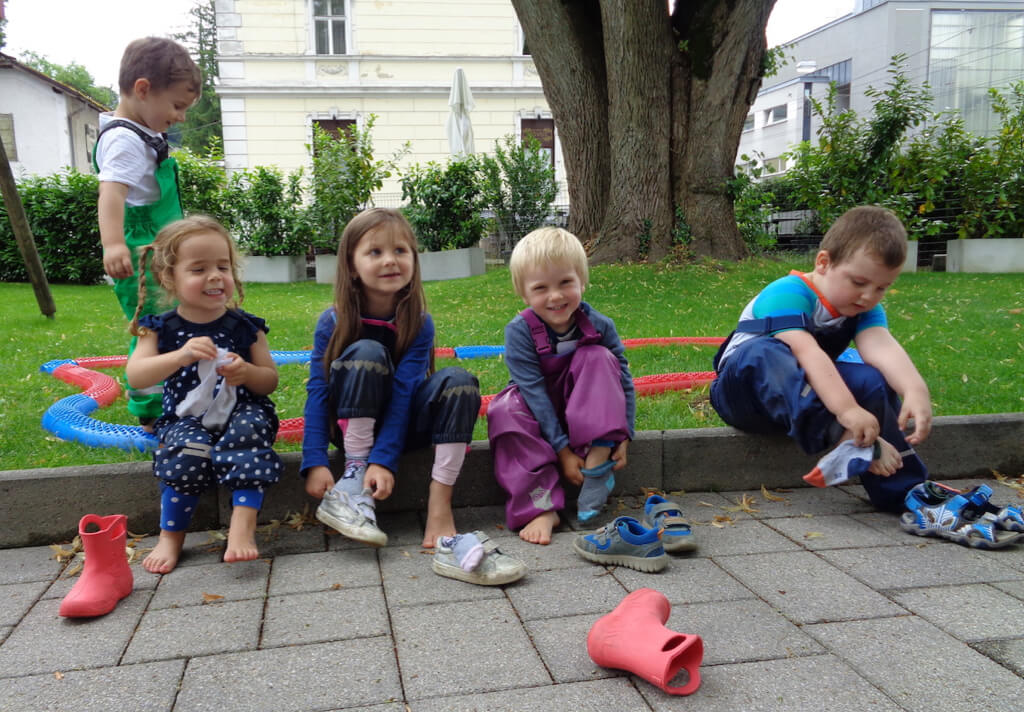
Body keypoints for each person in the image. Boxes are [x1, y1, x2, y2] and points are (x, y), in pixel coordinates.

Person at [710, 205, 928, 513]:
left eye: (882, 287)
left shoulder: (862, 308)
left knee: (871, 379)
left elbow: (881, 346)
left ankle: (906, 493)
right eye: (859, 282)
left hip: (807, 397)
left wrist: (914, 389)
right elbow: (806, 352)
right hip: (745, 398)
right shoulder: (786, 293)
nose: (869, 296)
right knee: (762, 352)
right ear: (823, 263)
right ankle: (846, 436)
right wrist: (847, 413)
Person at [301, 208, 482, 549]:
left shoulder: (418, 323)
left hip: (403, 428)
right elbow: (318, 390)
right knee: (368, 352)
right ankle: (353, 483)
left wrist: (384, 460)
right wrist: (314, 460)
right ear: (352, 267)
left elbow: (404, 393)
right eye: (375, 252)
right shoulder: (333, 321)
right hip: (348, 430)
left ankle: (440, 505)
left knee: (460, 381)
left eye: (401, 250)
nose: (390, 261)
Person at [125, 216, 283, 573]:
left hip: (243, 411)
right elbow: (136, 375)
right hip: (186, 419)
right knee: (187, 451)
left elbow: (269, 381)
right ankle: (171, 537)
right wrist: (180, 356)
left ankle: (242, 527)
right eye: (199, 269)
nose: (215, 276)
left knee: (250, 432)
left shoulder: (246, 327)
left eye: (222, 266)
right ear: (169, 277)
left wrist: (247, 373)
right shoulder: (160, 328)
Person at [487, 227, 635, 545]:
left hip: (586, 413)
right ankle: (541, 507)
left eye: (565, 283)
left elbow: (623, 379)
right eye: (541, 288)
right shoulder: (519, 331)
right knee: (504, 410)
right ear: (524, 294)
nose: (555, 296)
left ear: (582, 281)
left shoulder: (599, 325)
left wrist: (625, 436)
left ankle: (598, 463)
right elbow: (534, 394)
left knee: (598, 357)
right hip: (537, 411)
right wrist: (563, 452)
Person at [95, 37, 201, 431]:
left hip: (161, 249)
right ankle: (151, 413)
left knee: (171, 323)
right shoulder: (124, 139)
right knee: (152, 328)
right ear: (143, 90)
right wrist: (114, 243)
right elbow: (111, 194)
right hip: (141, 255)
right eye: (176, 106)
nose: (182, 118)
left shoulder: (140, 133)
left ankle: (174, 397)